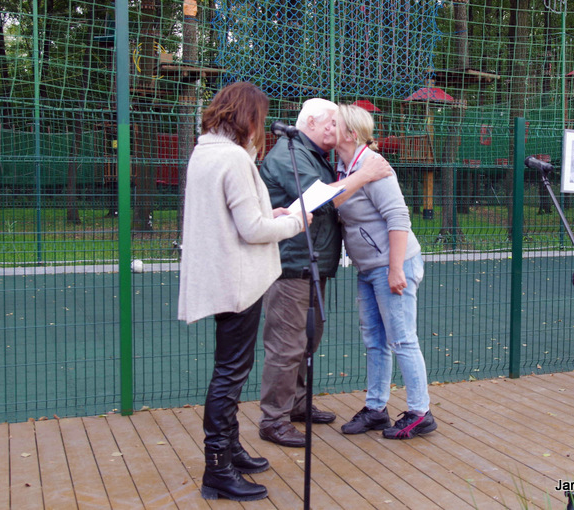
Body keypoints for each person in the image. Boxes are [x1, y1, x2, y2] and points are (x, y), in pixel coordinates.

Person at [177, 82, 310, 501]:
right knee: (230, 373)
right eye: (260, 119)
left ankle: (230, 450)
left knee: (229, 368)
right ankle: (217, 467)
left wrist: (272, 212)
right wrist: (296, 222)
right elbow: (251, 230)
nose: (262, 127)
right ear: (248, 117)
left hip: (221, 274)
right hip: (236, 280)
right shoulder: (234, 158)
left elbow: (234, 216)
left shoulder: (205, 151)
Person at [257, 98, 393, 447]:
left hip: (312, 263)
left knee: (307, 337)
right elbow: (315, 199)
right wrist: (365, 175)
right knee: (286, 344)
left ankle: (297, 404)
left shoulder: (312, 155)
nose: (337, 128)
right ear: (312, 123)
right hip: (291, 265)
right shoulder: (290, 154)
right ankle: (273, 420)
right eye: (332, 122)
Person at [335, 104, 437, 439]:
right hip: (368, 268)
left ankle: (420, 413)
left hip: (393, 264)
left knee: (402, 339)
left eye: (335, 124)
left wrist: (396, 269)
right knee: (375, 340)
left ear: (351, 134)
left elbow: (398, 217)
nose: (329, 127)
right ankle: (376, 409)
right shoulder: (343, 167)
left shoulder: (375, 166)